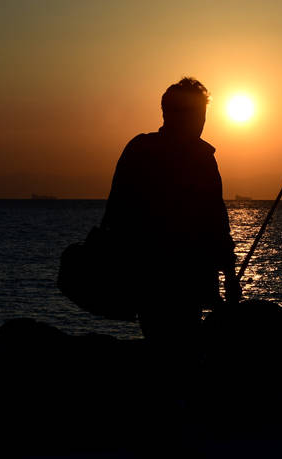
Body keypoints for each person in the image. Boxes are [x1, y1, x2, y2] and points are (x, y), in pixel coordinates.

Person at [101, 77, 240, 347]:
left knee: (161, 345)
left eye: (203, 114)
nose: (202, 122)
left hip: (145, 281)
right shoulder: (201, 159)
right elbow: (216, 223)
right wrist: (230, 275)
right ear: (174, 114)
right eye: (198, 114)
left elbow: (114, 215)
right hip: (182, 280)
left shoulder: (138, 149)